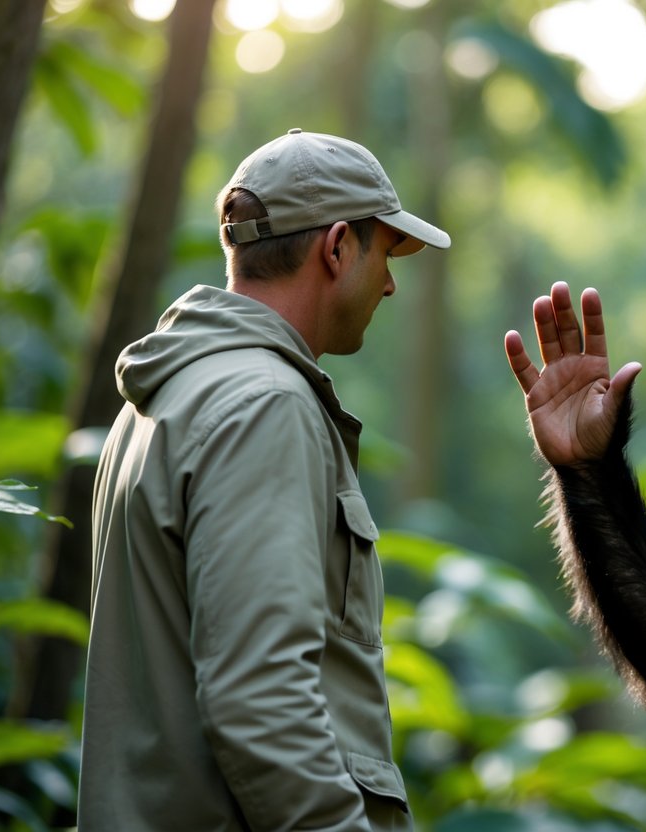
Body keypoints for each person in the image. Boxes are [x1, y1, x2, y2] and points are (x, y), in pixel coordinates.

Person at [78, 128, 450, 831]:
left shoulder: (164, 398)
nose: (392, 283)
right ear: (337, 247)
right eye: (383, 252)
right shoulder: (265, 407)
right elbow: (261, 697)